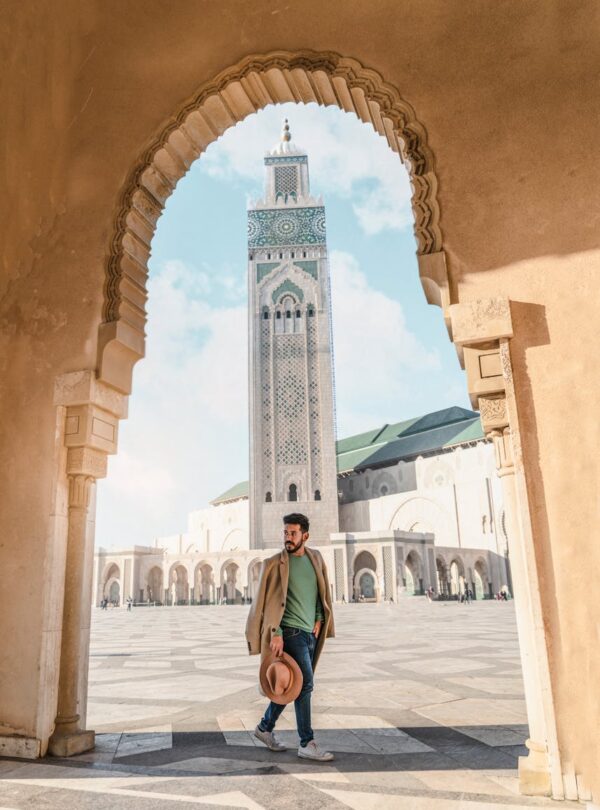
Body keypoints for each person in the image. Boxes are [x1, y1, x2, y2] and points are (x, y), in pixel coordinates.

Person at [245, 513, 335, 762]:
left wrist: (318, 616)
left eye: (293, 533)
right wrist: (276, 633)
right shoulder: (274, 563)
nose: (288, 537)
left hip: (310, 632)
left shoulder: (315, 559)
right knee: (305, 685)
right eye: (286, 532)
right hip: (290, 633)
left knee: (294, 685)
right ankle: (307, 742)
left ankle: (264, 728)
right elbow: (264, 603)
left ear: (305, 535)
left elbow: (322, 592)